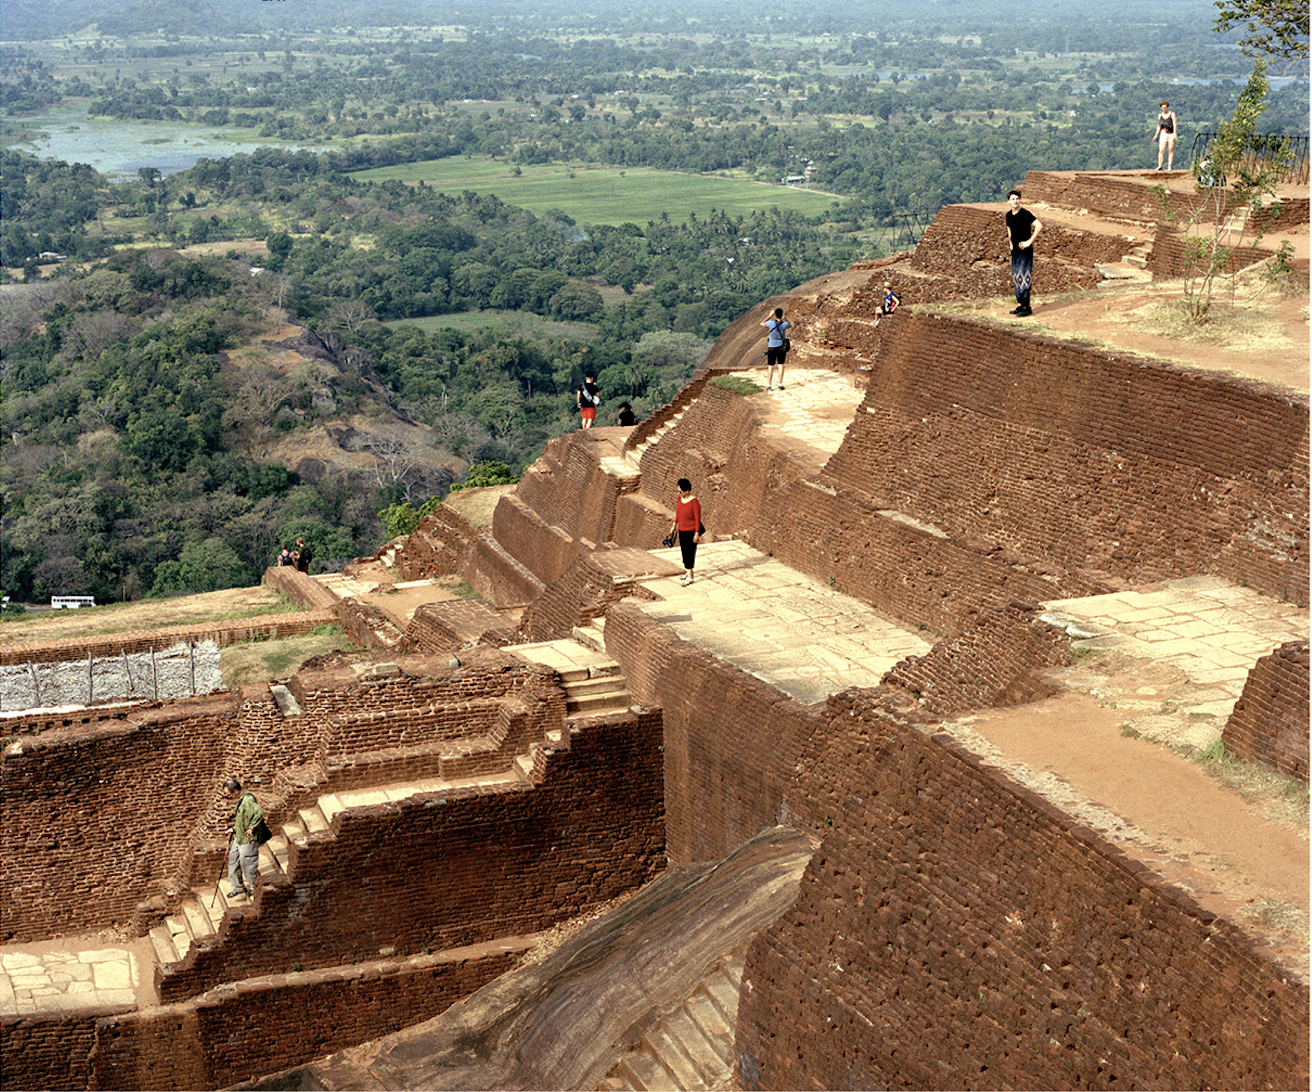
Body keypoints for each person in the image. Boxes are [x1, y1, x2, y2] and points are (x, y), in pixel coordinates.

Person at [1004, 189, 1042, 317]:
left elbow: (1039, 225)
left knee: (1024, 277)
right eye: (1013, 199)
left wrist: (1029, 241)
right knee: (1017, 277)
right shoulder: (1008, 215)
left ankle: (1027, 307)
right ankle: (1021, 305)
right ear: (1009, 201)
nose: (1015, 201)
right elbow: (1009, 228)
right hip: (1015, 250)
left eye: (1017, 199)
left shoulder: (1025, 214)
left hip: (1025, 250)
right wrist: (1010, 243)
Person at [224, 778, 264, 899]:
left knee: (247, 863)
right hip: (239, 836)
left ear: (235, 791)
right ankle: (238, 887)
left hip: (248, 839)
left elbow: (259, 814)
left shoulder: (248, 800)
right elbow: (242, 818)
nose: (228, 797)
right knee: (233, 860)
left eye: (228, 794)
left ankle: (254, 886)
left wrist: (252, 827)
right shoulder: (241, 800)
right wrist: (235, 828)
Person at [667, 478, 703, 587]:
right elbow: (678, 512)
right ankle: (687, 571)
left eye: (680, 491)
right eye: (678, 491)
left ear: (686, 490)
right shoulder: (680, 499)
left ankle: (690, 575)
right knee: (683, 550)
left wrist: (697, 533)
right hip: (681, 529)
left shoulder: (694, 502)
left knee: (690, 552)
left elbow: (697, 518)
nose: (679, 493)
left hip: (691, 530)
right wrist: (674, 525)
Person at [762, 307, 791, 390]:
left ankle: (769, 385)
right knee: (781, 365)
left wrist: (769, 316)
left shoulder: (770, 323)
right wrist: (784, 317)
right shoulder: (785, 324)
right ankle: (780, 384)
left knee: (770, 367)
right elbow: (790, 325)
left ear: (775, 315)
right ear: (782, 314)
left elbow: (761, 323)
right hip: (781, 347)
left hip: (771, 347)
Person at [1152, 100, 1177, 170]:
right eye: (1163, 107)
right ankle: (1160, 165)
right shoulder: (1160, 115)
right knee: (1161, 150)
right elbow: (1159, 125)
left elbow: (1174, 124)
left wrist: (1175, 133)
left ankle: (1169, 166)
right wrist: (1156, 134)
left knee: (1170, 150)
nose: (1164, 109)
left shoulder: (1172, 114)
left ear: (1167, 107)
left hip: (1171, 134)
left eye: (1165, 107)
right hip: (1163, 133)